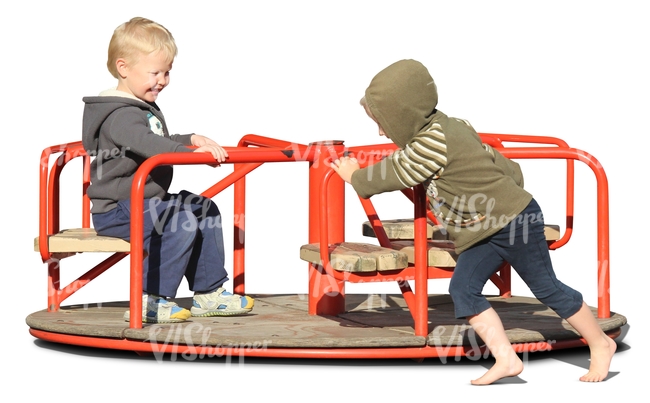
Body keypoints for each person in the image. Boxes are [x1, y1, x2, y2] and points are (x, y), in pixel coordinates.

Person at [331, 59, 616, 384]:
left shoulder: (430, 144)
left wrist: (355, 176)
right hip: (486, 228)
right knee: (463, 290)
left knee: (546, 288)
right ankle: (506, 360)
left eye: (383, 121)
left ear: (404, 113)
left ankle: (599, 343)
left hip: (512, 221)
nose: (381, 131)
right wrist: (512, 181)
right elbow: (494, 160)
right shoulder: (451, 126)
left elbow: (398, 171)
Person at [81, 17, 254, 324]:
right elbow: (149, 144)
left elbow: (156, 141)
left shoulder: (138, 108)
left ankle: (208, 293)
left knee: (203, 209)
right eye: (155, 72)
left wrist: (190, 140)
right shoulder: (120, 115)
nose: (162, 80)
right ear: (124, 68)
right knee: (179, 221)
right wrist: (189, 153)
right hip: (118, 210)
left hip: (145, 204)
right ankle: (152, 299)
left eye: (167, 72)